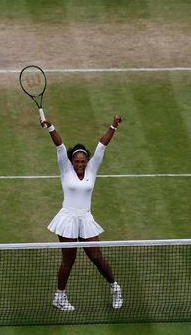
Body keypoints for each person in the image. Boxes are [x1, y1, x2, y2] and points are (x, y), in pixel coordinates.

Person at [41, 115, 124, 312]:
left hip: (86, 218)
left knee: (96, 256)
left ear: (87, 160)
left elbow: (102, 145)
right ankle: (59, 297)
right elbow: (60, 146)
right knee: (68, 260)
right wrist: (51, 127)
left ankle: (115, 288)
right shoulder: (65, 168)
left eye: (83, 160)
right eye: (77, 161)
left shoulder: (93, 168)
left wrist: (114, 125)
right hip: (67, 219)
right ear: (71, 160)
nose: (80, 164)